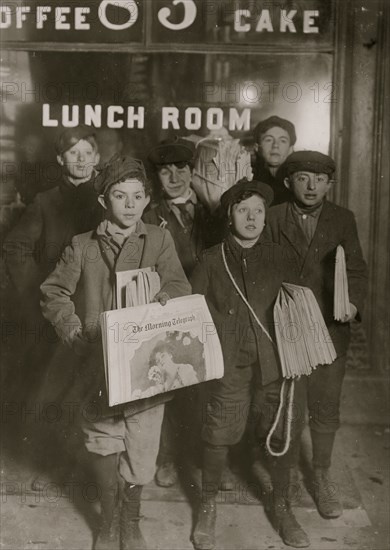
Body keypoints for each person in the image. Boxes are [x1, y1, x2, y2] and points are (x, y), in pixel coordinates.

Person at [40, 155, 191, 550]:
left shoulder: (158, 239)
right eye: (119, 196)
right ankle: (107, 521)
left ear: (146, 200)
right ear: (103, 200)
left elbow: (179, 285)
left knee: (142, 447)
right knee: (102, 440)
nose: (129, 204)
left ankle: (131, 520)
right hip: (98, 363)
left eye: (137, 196)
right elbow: (53, 293)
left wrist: (163, 297)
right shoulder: (82, 245)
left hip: (147, 364)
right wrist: (73, 330)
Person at [191, 179, 309, 549]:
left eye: (258, 211)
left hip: (277, 361)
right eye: (244, 210)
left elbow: (302, 304)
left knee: (280, 432)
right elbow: (192, 309)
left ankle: (282, 506)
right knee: (219, 431)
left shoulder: (281, 256)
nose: (252, 218)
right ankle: (207, 505)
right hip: (229, 363)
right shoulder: (212, 259)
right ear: (229, 215)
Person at [263, 151, 368, 521]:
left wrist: (352, 304)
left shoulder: (343, 219)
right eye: (303, 178)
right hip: (287, 328)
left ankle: (321, 475)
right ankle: (286, 478)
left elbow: (355, 269)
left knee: (325, 406)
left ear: (330, 184)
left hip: (329, 328)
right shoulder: (272, 217)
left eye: (319, 179)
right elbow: (260, 269)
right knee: (289, 406)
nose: (311, 186)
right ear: (288, 181)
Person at [3, 125, 102, 488]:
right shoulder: (45, 201)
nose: (79, 159)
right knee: (55, 390)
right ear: (61, 159)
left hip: (99, 309)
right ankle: (53, 467)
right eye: (72, 153)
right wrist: (37, 293)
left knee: (94, 391)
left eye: (86, 152)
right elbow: (15, 247)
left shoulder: (111, 198)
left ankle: (93, 470)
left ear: (96, 157)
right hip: (57, 314)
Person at [144, 137, 218, 488]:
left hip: (209, 309)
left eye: (181, 169)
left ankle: (205, 460)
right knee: (168, 385)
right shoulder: (148, 214)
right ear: (156, 177)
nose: (173, 177)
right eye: (165, 170)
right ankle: (168, 457)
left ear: (193, 172)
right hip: (167, 310)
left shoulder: (214, 211)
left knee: (208, 384)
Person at [252, 115, 296, 205]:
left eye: (283, 141)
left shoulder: (298, 182)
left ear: (290, 149)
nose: (275, 145)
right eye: (268, 140)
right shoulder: (249, 178)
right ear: (257, 147)